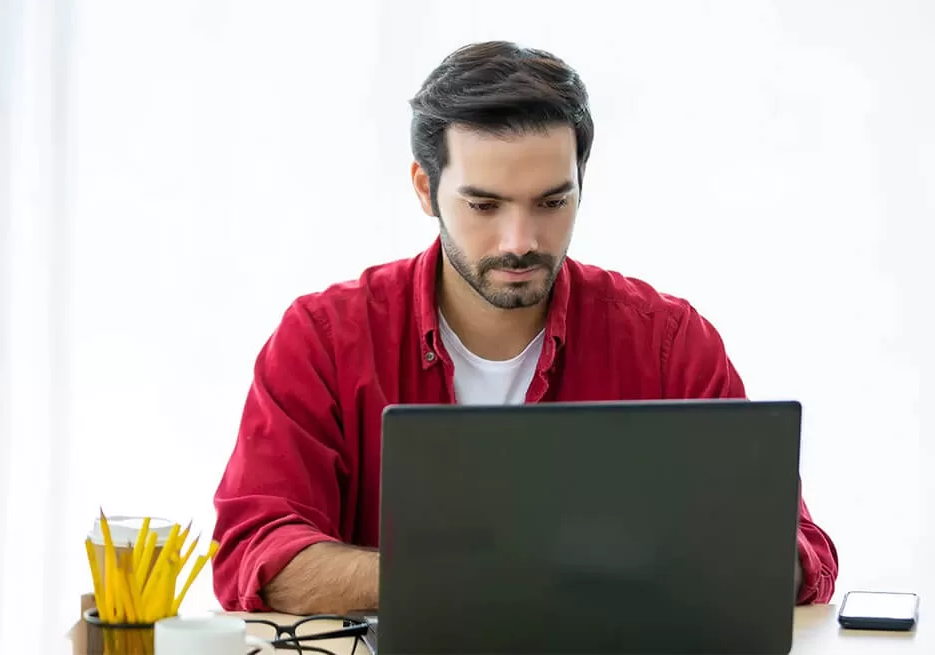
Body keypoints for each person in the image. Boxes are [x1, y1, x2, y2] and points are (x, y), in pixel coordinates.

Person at [211, 40, 838, 615]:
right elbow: (255, 554)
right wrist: (486, 577)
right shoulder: (323, 339)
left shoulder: (667, 344)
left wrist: (748, 558)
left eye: (552, 202)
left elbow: (797, 556)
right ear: (425, 189)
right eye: (484, 205)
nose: (522, 242)